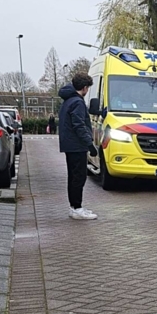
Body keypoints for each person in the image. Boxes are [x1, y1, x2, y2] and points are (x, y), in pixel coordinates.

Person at [58, 74, 99, 220]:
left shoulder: (68, 100)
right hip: (77, 145)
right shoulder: (77, 102)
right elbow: (79, 125)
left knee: (73, 176)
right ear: (85, 88)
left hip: (70, 144)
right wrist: (89, 143)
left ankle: (74, 207)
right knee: (78, 177)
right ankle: (77, 208)